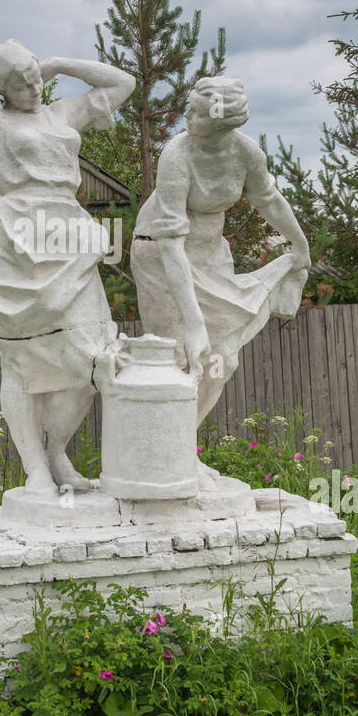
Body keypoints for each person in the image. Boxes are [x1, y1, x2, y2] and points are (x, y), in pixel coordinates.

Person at [0, 38, 135, 495]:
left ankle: (56, 453)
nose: (33, 87)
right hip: (17, 237)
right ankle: (36, 471)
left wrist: (60, 62)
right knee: (22, 361)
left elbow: (124, 82)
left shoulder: (63, 114)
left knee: (94, 360)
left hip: (69, 234)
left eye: (34, 77)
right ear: (0, 87)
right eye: (20, 82)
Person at [131, 76, 310, 492]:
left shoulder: (246, 153)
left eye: (194, 111)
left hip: (210, 253)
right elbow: (171, 244)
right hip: (161, 254)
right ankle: (161, 459)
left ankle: (178, 449)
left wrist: (300, 245)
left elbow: (268, 197)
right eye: (189, 107)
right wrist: (194, 324)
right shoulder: (177, 155)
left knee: (221, 359)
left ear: (220, 122)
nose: (186, 116)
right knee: (179, 353)